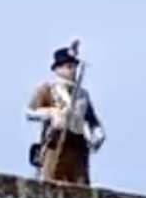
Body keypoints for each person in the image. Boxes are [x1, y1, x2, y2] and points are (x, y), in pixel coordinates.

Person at [24, 40, 104, 185]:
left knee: (80, 186)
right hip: (56, 143)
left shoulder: (83, 95)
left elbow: (92, 120)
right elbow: (30, 112)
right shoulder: (47, 89)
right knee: (51, 183)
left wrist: (97, 135)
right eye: (68, 67)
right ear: (58, 69)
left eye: (74, 67)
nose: (72, 70)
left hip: (78, 145)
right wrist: (51, 112)